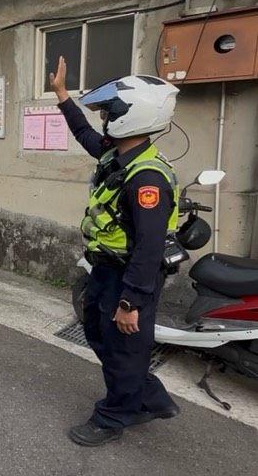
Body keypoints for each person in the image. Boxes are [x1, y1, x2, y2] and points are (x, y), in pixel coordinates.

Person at [50, 56, 181, 446]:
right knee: (98, 333)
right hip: (105, 270)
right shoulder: (118, 155)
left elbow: (149, 248)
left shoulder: (147, 178)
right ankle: (150, 396)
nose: (105, 118)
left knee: (124, 347)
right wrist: (62, 95)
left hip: (130, 276)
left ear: (134, 115)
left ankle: (114, 417)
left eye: (111, 111)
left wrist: (130, 302)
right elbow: (85, 135)